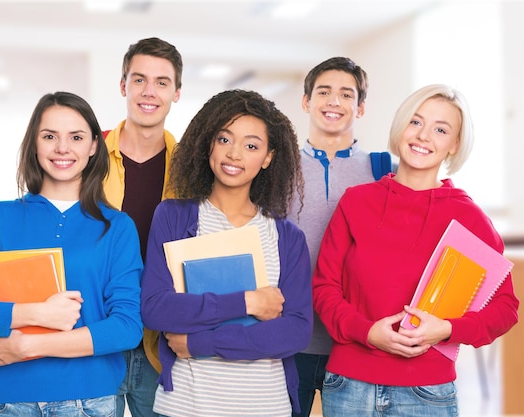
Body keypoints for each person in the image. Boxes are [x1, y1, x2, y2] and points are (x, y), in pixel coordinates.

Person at [312, 84, 519, 416]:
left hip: (426, 393)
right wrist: (365, 332)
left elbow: (506, 308)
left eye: (440, 129)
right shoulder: (356, 201)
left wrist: (448, 329)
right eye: (416, 122)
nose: (424, 136)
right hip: (349, 386)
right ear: (402, 127)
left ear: (453, 145)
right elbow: (324, 288)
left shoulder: (468, 217)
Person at [0, 91, 144, 416]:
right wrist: (35, 313)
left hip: (89, 403)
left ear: (92, 147)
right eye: (50, 136)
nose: (63, 148)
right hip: (12, 403)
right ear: (34, 143)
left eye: (76, 137)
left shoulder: (116, 227)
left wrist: (30, 346)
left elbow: (127, 326)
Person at [140, 89, 313, 416]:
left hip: (266, 407)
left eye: (251, 145)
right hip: (186, 407)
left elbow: (295, 331)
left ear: (268, 158)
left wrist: (199, 343)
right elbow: (156, 309)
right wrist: (248, 302)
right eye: (224, 139)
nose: (234, 154)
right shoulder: (174, 217)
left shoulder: (287, 237)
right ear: (208, 144)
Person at [287, 56, 393, 417]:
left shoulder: (383, 171)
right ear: (306, 102)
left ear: (360, 108)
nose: (334, 101)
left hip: (354, 343)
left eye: (346, 94)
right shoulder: (278, 167)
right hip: (290, 339)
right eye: (324, 92)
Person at [102, 37, 182, 417]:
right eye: (139, 80)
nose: (150, 92)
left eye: (162, 82)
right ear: (123, 86)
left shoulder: (191, 169)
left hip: (160, 341)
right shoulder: (87, 156)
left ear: (176, 93)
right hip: (97, 335)